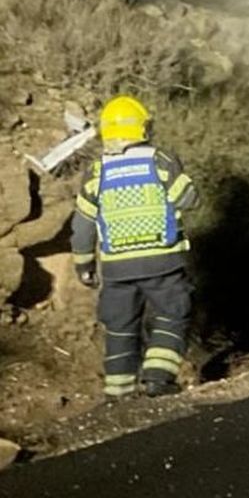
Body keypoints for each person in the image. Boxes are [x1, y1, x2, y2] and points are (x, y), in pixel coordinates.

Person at [70, 96, 200, 398]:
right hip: (162, 261)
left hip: (116, 268)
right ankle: (157, 378)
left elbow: (83, 226)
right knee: (172, 314)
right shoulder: (160, 161)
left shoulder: (96, 173)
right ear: (142, 128)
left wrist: (84, 265)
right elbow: (189, 199)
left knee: (119, 327)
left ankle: (119, 394)